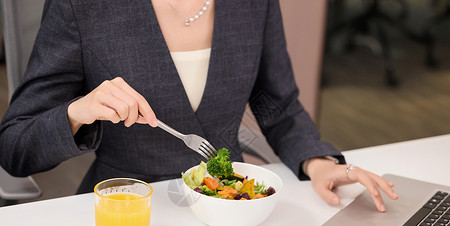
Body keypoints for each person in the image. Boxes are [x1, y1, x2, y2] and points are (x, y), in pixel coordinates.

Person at [0, 0, 397, 211]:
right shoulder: (83, 5)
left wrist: (318, 162)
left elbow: (276, 102)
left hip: (234, 206)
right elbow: (14, 147)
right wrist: (77, 113)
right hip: (128, 211)